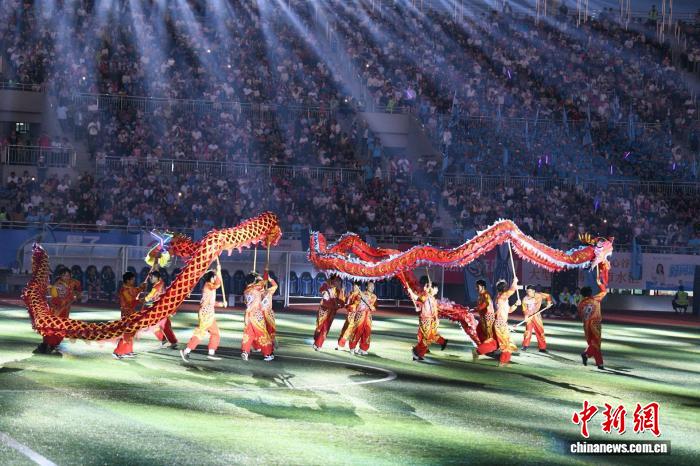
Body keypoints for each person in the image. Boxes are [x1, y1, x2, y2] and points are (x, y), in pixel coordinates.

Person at [180, 263, 227, 362]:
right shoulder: (208, 285)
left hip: (208, 313)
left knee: (215, 333)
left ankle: (211, 352)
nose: (215, 278)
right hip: (206, 314)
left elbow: (211, 302)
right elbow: (218, 284)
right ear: (211, 278)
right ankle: (186, 351)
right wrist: (218, 272)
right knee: (201, 333)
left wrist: (221, 304)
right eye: (214, 277)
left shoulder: (209, 286)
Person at [34, 266, 82, 355]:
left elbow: (78, 289)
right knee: (53, 327)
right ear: (60, 276)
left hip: (65, 310)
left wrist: (76, 295)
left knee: (62, 327)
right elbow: (55, 298)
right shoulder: (58, 285)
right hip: (56, 310)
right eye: (64, 275)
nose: (66, 277)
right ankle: (46, 344)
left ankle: (53, 345)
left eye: (68, 275)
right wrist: (69, 298)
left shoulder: (73, 282)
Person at [407, 282, 448, 361]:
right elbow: (418, 299)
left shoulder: (432, 298)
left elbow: (432, 310)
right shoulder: (426, 295)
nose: (437, 290)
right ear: (431, 288)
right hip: (426, 320)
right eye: (436, 288)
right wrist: (411, 292)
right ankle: (417, 351)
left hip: (430, 320)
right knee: (427, 338)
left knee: (426, 337)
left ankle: (419, 352)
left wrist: (436, 320)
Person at [579, 270, 608, 370]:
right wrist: (599, 283)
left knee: (592, 343)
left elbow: (581, 314)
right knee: (596, 343)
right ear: (591, 293)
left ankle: (600, 363)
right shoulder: (595, 299)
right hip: (595, 323)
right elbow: (604, 291)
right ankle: (586, 354)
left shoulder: (580, 304)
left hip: (586, 325)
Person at [241, 273, 274, 361]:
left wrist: (256, 277)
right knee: (262, 334)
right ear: (254, 281)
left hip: (248, 315)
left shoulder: (246, 291)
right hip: (257, 315)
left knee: (248, 334)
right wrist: (264, 276)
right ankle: (267, 354)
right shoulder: (256, 290)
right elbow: (263, 283)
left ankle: (245, 351)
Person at [113, 272, 146, 359]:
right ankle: (117, 352)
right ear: (128, 280)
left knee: (132, 331)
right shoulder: (124, 290)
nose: (134, 281)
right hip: (126, 314)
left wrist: (141, 288)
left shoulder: (129, 288)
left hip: (131, 312)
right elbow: (130, 301)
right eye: (132, 280)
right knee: (127, 332)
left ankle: (128, 351)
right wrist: (140, 300)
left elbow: (135, 291)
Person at [144, 270, 178, 349]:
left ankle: (166, 340)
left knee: (154, 325)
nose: (150, 279)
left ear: (157, 278)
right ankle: (170, 341)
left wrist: (143, 299)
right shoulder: (161, 283)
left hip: (159, 309)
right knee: (165, 326)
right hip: (163, 308)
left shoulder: (156, 287)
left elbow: (149, 297)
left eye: (152, 277)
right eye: (150, 277)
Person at [493, 279, 520, 367]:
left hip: (502, 323)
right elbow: (512, 290)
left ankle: (505, 361)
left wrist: (516, 304)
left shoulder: (503, 298)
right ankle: (503, 362)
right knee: (507, 344)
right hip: (501, 324)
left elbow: (509, 311)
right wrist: (515, 281)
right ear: (504, 288)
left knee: (507, 343)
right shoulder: (502, 297)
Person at [313, 275, 345, 350]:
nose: (338, 283)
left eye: (339, 281)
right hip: (323, 310)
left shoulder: (340, 291)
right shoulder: (326, 285)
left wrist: (337, 303)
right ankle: (316, 341)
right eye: (336, 281)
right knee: (319, 327)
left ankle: (319, 344)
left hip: (331, 312)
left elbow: (342, 303)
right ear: (333, 280)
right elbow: (321, 290)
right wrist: (325, 292)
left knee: (325, 328)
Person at [521, 285, 554, 353]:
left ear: (533, 291)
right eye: (527, 291)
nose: (528, 293)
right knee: (528, 331)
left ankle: (542, 347)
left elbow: (548, 296)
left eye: (529, 291)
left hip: (537, 316)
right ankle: (525, 345)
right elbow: (524, 309)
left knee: (540, 331)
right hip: (529, 317)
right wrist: (526, 317)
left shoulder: (539, 295)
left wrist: (548, 303)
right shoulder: (525, 299)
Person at [349, 281, 377, 355]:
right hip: (360, 315)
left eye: (373, 286)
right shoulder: (361, 294)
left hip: (368, 316)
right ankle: (352, 347)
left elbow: (374, 306)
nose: (372, 288)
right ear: (367, 287)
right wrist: (360, 297)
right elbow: (356, 301)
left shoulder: (374, 296)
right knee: (357, 331)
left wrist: (373, 307)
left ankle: (363, 349)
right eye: (370, 286)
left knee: (367, 332)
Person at [472, 279, 497, 360]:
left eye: (477, 286)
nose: (476, 288)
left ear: (483, 287)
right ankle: (485, 347)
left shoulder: (486, 295)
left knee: (488, 334)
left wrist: (477, 309)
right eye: (476, 286)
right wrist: (475, 309)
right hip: (483, 317)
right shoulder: (480, 295)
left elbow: (486, 304)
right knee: (479, 331)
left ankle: (490, 349)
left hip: (488, 317)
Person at [337, 282, 362, 350]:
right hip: (349, 314)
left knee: (349, 330)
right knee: (345, 328)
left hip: (354, 315)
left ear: (359, 287)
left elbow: (356, 304)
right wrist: (342, 291)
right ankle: (340, 344)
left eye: (355, 286)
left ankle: (342, 345)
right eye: (353, 286)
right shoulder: (351, 293)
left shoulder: (359, 295)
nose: (354, 287)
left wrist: (349, 306)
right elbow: (345, 300)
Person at [260, 272, 278, 348]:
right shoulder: (256, 293)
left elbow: (275, 286)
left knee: (270, 329)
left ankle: (272, 342)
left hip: (269, 313)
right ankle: (261, 345)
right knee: (261, 330)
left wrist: (270, 279)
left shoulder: (269, 291)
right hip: (260, 314)